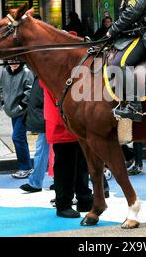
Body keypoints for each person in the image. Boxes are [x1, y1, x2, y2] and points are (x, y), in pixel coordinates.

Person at [45, 88, 94, 218]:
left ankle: (84, 198)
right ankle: (63, 204)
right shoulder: (50, 74)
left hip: (75, 121)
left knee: (82, 165)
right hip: (62, 123)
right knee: (65, 167)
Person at [0, 60, 34, 178]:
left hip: (23, 111)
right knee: (21, 138)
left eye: (17, 60)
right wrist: (3, 103)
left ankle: (25, 168)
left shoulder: (26, 72)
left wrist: (22, 105)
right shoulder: (4, 71)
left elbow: (29, 91)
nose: (14, 63)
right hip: (11, 110)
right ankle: (27, 166)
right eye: (11, 60)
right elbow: (1, 88)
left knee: (17, 137)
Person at [19, 75, 50, 192]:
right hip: (47, 118)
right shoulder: (40, 75)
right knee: (44, 151)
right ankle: (37, 182)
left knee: (43, 151)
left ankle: (36, 182)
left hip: (48, 119)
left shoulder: (42, 75)